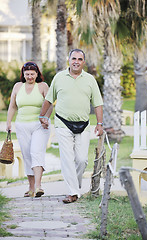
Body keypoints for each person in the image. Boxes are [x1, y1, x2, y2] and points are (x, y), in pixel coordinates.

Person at [39, 49, 103, 203]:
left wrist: (100, 123)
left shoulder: (90, 79)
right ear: (69, 60)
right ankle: (72, 192)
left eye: (79, 59)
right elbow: (49, 99)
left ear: (84, 62)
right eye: (73, 58)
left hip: (83, 124)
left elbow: (98, 103)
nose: (76, 61)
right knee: (67, 159)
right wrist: (42, 116)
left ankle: (74, 186)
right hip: (63, 123)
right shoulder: (59, 77)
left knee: (81, 160)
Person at [6, 62, 53, 198]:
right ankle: (31, 187)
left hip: (40, 125)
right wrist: (9, 122)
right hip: (22, 125)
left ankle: (38, 186)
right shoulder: (17, 86)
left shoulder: (43, 86)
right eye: (27, 74)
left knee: (36, 152)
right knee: (27, 155)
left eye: (32, 74)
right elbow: (12, 106)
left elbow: (49, 105)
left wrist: (45, 118)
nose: (30, 77)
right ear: (23, 74)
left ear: (37, 74)